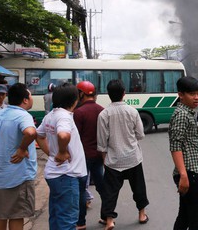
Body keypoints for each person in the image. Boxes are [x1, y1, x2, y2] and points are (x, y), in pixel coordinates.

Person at [97, 79, 149, 230]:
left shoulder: (103, 114)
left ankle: (109, 220)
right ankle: (142, 214)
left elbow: (101, 142)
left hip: (113, 160)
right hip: (133, 158)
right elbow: (140, 135)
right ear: (124, 93)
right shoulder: (132, 111)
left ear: (108, 94)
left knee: (110, 192)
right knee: (139, 188)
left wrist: (104, 159)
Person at [35, 83, 87, 230]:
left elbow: (38, 135)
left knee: (57, 217)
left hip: (56, 174)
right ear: (74, 100)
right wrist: (62, 152)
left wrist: (52, 153)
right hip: (67, 175)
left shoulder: (51, 115)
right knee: (67, 221)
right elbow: (63, 135)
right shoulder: (64, 117)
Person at [0, 83, 37, 230]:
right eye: (30, 95)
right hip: (17, 175)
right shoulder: (23, 116)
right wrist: (22, 149)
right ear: (25, 100)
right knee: (16, 215)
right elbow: (30, 132)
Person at [168, 76, 198, 230]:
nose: (197, 98)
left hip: (193, 172)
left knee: (185, 216)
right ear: (181, 95)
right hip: (190, 173)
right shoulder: (181, 115)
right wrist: (184, 175)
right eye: (192, 94)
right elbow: (175, 146)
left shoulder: (189, 112)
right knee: (197, 221)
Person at [73, 81, 104, 229]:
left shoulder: (79, 112)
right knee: (102, 186)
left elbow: (75, 136)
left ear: (81, 94)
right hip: (99, 155)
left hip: (83, 157)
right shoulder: (102, 110)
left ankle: (81, 222)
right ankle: (107, 216)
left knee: (80, 189)